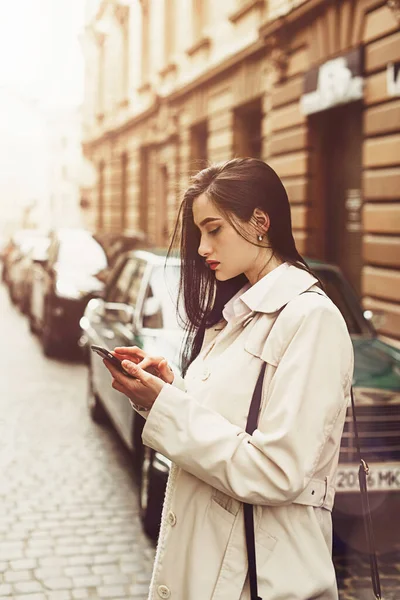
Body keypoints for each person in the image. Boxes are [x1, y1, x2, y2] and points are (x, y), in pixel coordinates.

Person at [104, 158, 354, 600]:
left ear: (260, 222)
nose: (202, 247)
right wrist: (168, 389)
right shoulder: (237, 313)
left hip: (256, 576)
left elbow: (277, 471)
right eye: (200, 231)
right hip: (213, 563)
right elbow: (228, 424)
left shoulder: (310, 318)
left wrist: (168, 408)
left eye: (213, 228)